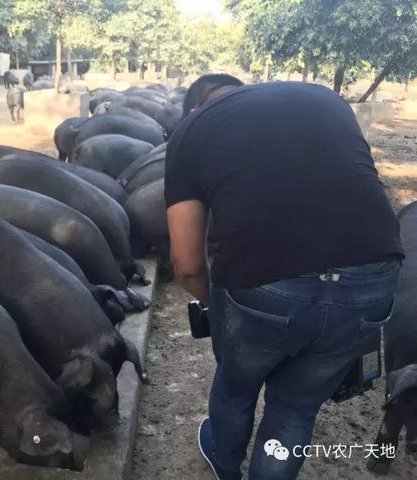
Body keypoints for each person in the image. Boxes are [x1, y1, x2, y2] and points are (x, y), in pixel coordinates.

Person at [165, 74, 404, 480]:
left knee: (236, 388)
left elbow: (187, 264)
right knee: (295, 408)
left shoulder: (191, 129)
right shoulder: (324, 99)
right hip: (374, 276)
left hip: (266, 285)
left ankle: (225, 464)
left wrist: (215, 307)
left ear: (194, 107)